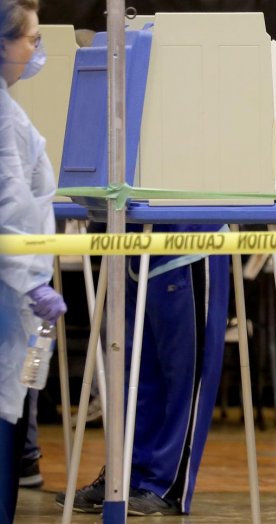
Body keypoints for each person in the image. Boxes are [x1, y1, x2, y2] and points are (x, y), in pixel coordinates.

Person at [56, 225, 231, 516]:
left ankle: (167, 486)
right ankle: (126, 480)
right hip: (137, 244)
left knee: (186, 381)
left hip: (191, 241)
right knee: (138, 381)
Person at [0, 0, 67, 521]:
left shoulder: (8, 110)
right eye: (30, 38)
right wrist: (30, 282)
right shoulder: (2, 119)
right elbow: (9, 209)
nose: (36, 50)